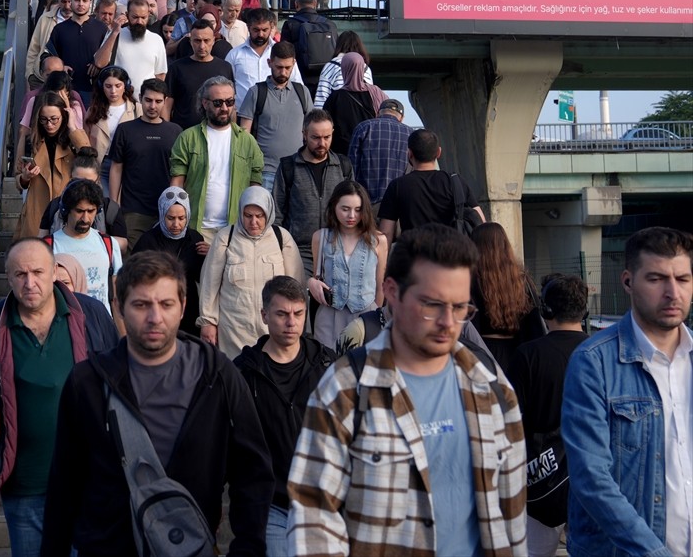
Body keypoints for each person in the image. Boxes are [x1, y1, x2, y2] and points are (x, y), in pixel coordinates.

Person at [288, 223, 528, 556]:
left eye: (461, 309)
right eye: (432, 305)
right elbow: (313, 518)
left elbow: (512, 519)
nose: (448, 322)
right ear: (392, 292)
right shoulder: (344, 389)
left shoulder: (492, 387)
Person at [40, 250, 274, 557]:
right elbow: (64, 483)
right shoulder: (87, 383)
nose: (155, 317)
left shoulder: (218, 375)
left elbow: (253, 471)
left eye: (166, 304)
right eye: (141, 305)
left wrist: (247, 548)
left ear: (183, 307)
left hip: (190, 545)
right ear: (120, 307)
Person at [0, 237, 118, 557]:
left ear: (53, 272)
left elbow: (117, 376)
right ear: (8, 277)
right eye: (20, 275)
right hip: (25, 485)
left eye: (38, 272)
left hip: (86, 482)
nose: (30, 282)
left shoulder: (90, 315)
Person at [563, 227, 693, 557]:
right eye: (656, 279)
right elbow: (591, 478)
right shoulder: (593, 362)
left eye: (682, 279)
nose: (672, 293)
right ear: (627, 281)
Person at [233, 275, 336, 557]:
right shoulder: (242, 373)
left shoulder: (328, 365)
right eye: (282, 314)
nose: (291, 322)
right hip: (271, 504)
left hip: (324, 503)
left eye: (298, 314)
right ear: (265, 315)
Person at [507, 274, 590, 557]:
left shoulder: (528, 354)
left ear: (545, 311)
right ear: (585, 311)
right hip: (591, 474)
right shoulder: (600, 352)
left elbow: (513, 419)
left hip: (540, 474)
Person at [199, 185, 304, 361]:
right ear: (240, 213)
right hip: (233, 332)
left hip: (272, 332)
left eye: (259, 216)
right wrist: (208, 322)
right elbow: (209, 284)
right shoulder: (226, 237)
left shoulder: (282, 238)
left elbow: (297, 287)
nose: (253, 222)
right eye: (248, 216)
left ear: (268, 214)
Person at [169, 76, 264, 244]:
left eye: (230, 101)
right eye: (218, 103)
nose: (225, 108)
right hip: (196, 228)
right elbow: (176, 184)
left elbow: (254, 189)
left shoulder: (248, 142)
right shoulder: (188, 138)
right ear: (205, 103)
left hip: (236, 229)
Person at [307, 180, 389, 349]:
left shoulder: (379, 240)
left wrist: (376, 318)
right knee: (326, 367)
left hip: (366, 316)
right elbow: (317, 276)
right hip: (328, 317)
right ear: (334, 207)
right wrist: (311, 283)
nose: (351, 216)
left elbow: (380, 286)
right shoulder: (320, 237)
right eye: (345, 209)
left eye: (358, 210)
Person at [273, 109, 354, 275]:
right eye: (315, 137)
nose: (322, 143)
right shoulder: (288, 166)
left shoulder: (343, 166)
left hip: (337, 248)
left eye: (327, 137)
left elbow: (354, 208)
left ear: (332, 133)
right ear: (304, 134)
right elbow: (277, 212)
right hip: (298, 250)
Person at [378, 128, 486, 244]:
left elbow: (386, 233)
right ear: (439, 152)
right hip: (451, 255)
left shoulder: (397, 186)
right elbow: (480, 221)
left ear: (409, 153)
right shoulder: (455, 181)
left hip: (414, 257)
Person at [108, 78, 182, 246]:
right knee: (132, 261)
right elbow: (116, 168)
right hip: (133, 210)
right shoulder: (125, 130)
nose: (153, 106)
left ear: (165, 101)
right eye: (148, 100)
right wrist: (114, 204)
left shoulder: (175, 131)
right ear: (140, 98)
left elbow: (180, 172)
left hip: (167, 210)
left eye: (158, 101)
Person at [470, 222, 547, 374]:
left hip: (483, 350)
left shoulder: (472, 280)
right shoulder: (521, 279)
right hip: (518, 350)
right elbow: (533, 320)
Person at [237, 40, 313, 192]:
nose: (283, 72)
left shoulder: (302, 92)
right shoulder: (256, 92)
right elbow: (244, 135)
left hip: (298, 170)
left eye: (287, 68)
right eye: (279, 67)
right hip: (265, 171)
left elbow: (312, 130)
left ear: (294, 64)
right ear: (269, 62)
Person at [15, 92, 91, 240]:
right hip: (36, 209)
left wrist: (73, 127)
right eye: (44, 120)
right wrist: (25, 177)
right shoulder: (31, 141)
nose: (49, 124)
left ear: (63, 116)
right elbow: (18, 180)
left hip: (67, 207)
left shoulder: (72, 140)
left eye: (54, 119)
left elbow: (89, 157)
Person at [133, 187, 207, 335]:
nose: (176, 224)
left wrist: (210, 256)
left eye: (181, 218)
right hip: (157, 307)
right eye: (170, 218)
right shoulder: (149, 241)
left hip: (188, 308)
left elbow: (203, 276)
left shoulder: (195, 239)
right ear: (162, 214)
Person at [44, 179, 123, 318]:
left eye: (91, 211)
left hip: (101, 324)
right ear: (66, 210)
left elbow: (116, 298)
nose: (85, 218)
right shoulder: (49, 246)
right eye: (79, 211)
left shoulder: (108, 243)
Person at [38, 147, 128, 252]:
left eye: (89, 183)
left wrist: (92, 243)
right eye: (77, 181)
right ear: (70, 178)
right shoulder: (55, 206)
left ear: (98, 180)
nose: (82, 187)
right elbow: (41, 243)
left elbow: (123, 244)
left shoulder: (110, 209)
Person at [41, 0, 106, 104]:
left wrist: (99, 64)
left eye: (84, 0)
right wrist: (60, 67)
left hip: (94, 92)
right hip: (65, 91)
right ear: (71, 2)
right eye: (77, 0)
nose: (81, 4)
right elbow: (46, 56)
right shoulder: (59, 29)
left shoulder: (101, 28)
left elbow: (110, 56)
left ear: (90, 2)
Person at [165, 20, 235, 130]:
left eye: (206, 40)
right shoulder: (176, 68)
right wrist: (167, 132)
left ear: (213, 41)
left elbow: (231, 104)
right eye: (197, 41)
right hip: (183, 134)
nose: (202, 46)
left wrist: (232, 131)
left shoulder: (225, 67)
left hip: (217, 133)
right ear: (190, 42)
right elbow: (167, 105)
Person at [348, 97, 413, 207]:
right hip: (399, 205)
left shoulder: (363, 127)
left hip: (366, 204)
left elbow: (351, 167)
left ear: (378, 113)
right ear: (401, 118)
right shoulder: (411, 133)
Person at [83, 66, 139, 192]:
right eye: (108, 86)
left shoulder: (136, 109)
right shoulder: (93, 110)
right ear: (101, 87)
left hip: (127, 166)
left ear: (125, 85)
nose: (113, 91)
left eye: (118, 86)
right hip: (100, 164)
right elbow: (85, 138)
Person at [322, 52, 389, 157]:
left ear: (344, 69)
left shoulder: (335, 97)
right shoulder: (376, 92)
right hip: (372, 151)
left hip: (343, 155)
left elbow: (325, 124)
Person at [93, 0, 167, 90]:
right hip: (119, 99)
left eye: (143, 17)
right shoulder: (115, 34)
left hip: (145, 101)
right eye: (135, 17)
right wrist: (114, 33)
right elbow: (99, 63)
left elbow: (160, 75)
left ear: (148, 15)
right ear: (127, 15)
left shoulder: (156, 39)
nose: (139, 22)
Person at [280, 0, 341, 92]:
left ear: (296, 4)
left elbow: (283, 54)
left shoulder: (290, 24)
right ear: (315, 3)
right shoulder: (330, 25)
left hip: (301, 81)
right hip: (326, 82)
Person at [314, 30, 374, 108]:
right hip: (363, 116)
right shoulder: (366, 69)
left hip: (338, 114)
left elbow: (321, 98)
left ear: (339, 45)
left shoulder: (331, 66)